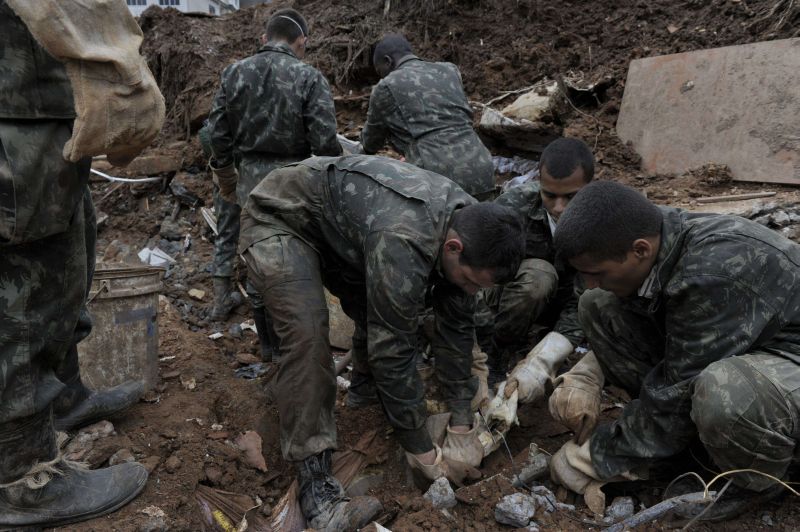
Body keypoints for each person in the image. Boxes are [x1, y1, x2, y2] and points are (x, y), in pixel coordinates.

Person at [239, 154, 525, 529]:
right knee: (308, 336)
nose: (471, 290)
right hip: (282, 217)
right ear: (453, 248)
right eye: (471, 281)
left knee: (385, 310)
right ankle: (317, 489)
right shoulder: (405, 239)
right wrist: (421, 450)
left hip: (346, 233)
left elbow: (456, 328)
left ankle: (363, 398)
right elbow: (393, 349)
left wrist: (460, 423)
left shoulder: (473, 225)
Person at [0, 0, 164, 527]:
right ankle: (21, 478)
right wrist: (125, 76)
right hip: (16, 124)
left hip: (48, 117)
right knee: (27, 295)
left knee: (71, 266)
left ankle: (64, 395)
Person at [548, 180, 800, 521]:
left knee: (724, 389)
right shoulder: (656, 235)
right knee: (598, 304)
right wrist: (588, 374)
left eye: (597, 272)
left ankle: (752, 479)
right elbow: (679, 345)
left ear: (639, 250)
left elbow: (680, 388)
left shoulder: (712, 270)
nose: (589, 281)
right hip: (749, 341)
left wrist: (599, 455)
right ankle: (682, 441)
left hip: (789, 357)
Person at [206, 8, 341, 360]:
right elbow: (325, 141)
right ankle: (299, 343)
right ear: (301, 42)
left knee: (257, 263)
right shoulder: (309, 76)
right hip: (295, 184)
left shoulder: (233, 73)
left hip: (247, 180)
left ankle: (267, 347)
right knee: (298, 259)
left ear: (264, 38)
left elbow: (215, 134)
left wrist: (226, 174)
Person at [478, 138, 593, 386]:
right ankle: (496, 355)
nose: (559, 207)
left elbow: (587, 295)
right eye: (549, 195)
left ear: (589, 187)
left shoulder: (603, 219)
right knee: (539, 276)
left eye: (571, 197)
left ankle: (547, 342)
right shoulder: (513, 207)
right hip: (515, 295)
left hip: (569, 301)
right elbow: (478, 274)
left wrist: (552, 351)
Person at [360, 34, 494, 199]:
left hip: (438, 178)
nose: (381, 76)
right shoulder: (449, 70)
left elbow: (370, 143)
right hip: (482, 166)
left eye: (380, 70)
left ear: (388, 61)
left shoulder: (386, 86)